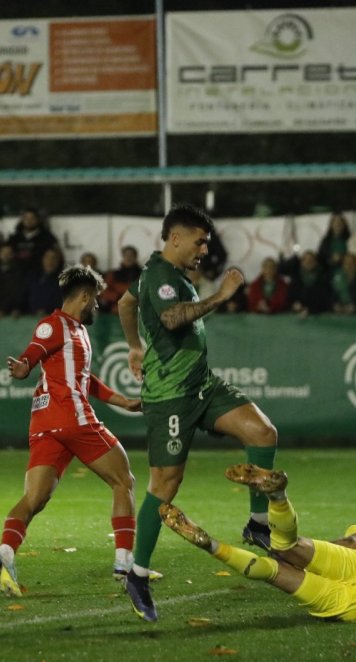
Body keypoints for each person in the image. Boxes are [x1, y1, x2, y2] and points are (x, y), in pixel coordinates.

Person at [116, 203, 278, 623]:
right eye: (200, 241)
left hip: (203, 385)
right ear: (175, 238)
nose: (205, 249)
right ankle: (136, 574)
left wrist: (133, 344)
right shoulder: (159, 276)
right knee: (165, 484)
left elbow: (123, 304)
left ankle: (258, 524)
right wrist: (220, 296)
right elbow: (171, 319)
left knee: (262, 434)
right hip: (171, 396)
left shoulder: (158, 274)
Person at [0, 265, 143, 597]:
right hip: (72, 418)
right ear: (84, 297)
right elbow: (32, 355)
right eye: (96, 301)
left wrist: (123, 401)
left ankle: (5, 554)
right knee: (124, 480)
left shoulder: (77, 331)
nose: (98, 307)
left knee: (35, 498)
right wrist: (22, 367)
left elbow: (87, 381)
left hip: (46, 425)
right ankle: (125, 563)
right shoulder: (54, 325)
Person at [160, 464, 356, 623]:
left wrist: (309, 555)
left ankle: (277, 497)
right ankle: (212, 546)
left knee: (288, 548)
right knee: (275, 571)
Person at [8, 207, 58, 274]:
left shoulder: (47, 237)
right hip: (16, 274)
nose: (29, 221)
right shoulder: (14, 238)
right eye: (26, 218)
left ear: (38, 220)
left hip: (39, 274)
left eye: (32, 218)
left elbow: (55, 257)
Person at [0, 243, 26, 318]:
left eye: (9, 253)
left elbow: (20, 293)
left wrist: (16, 308)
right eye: (3, 253)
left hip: (13, 312)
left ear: (13, 255)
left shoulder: (20, 272)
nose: (6, 255)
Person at [99, 245, 142, 313]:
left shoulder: (143, 274)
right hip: (116, 309)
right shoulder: (113, 274)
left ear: (135, 257)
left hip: (138, 309)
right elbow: (104, 291)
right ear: (123, 257)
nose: (129, 258)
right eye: (126, 255)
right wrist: (117, 296)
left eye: (131, 255)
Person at [26, 248, 64, 315]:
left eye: (54, 258)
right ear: (42, 259)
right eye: (47, 257)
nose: (50, 261)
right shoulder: (33, 277)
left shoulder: (63, 281)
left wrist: (47, 311)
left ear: (58, 261)